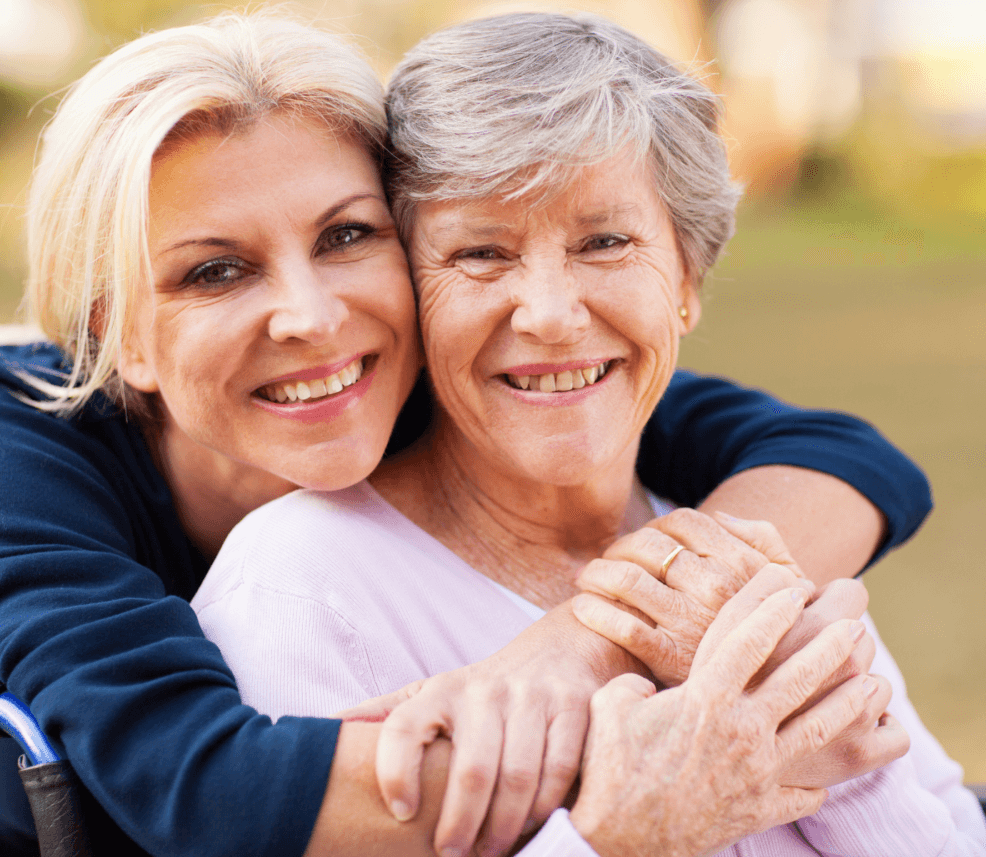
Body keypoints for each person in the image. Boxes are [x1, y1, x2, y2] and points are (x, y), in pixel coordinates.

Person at [0, 10, 934, 857]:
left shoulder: (435, 381)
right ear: (119, 337)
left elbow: (842, 457)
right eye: (215, 271)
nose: (313, 318)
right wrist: (654, 771)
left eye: (344, 236)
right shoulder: (31, 469)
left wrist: (582, 644)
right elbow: (211, 793)